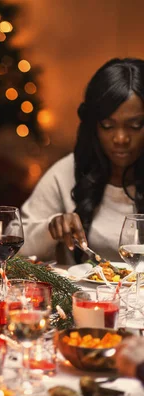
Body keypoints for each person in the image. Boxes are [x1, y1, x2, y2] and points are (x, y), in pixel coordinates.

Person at [20, 58, 144, 264]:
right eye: (107, 125)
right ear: (94, 126)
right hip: (83, 296)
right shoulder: (67, 171)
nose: (121, 138)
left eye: (135, 125)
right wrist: (51, 229)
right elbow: (18, 251)